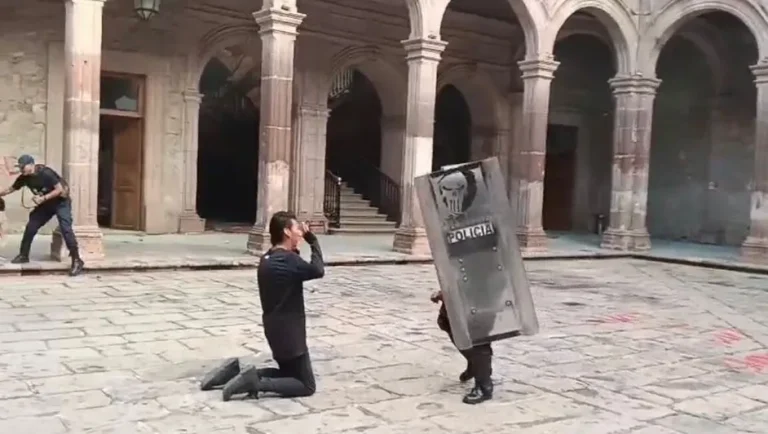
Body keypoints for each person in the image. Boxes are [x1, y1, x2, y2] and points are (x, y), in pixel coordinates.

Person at [201, 211, 325, 401]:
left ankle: (236, 372)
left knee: (287, 373)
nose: (300, 232)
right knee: (306, 384)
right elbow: (317, 269)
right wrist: (313, 240)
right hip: (291, 333)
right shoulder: (289, 261)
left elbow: (293, 269)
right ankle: (256, 383)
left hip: (274, 330)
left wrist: (296, 245)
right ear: (286, 231)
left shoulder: (268, 259)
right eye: (297, 229)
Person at [0, 155, 84, 276]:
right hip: (46, 205)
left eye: (24, 166)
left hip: (61, 202)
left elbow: (59, 189)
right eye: (20, 166)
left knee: (66, 229)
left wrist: (42, 198)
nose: (22, 169)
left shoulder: (46, 173)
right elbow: (11, 189)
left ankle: (76, 260)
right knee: (31, 226)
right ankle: (23, 255)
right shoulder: (24, 178)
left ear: (32, 164)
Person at [430, 289, 494, 405]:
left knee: (477, 332)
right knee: (446, 321)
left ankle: (484, 385)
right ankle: (476, 365)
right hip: (464, 287)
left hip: (480, 293)